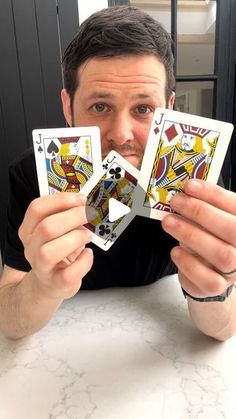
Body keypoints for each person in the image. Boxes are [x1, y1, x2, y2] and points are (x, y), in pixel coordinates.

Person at [0, 6, 236, 340]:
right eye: (100, 107)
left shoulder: (191, 175)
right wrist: (41, 287)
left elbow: (222, 330)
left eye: (143, 109)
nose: (121, 134)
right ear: (68, 107)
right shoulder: (31, 175)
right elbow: (7, 318)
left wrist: (213, 288)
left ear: (169, 109)